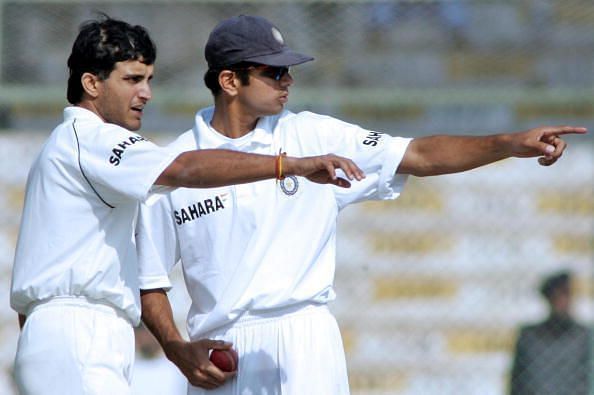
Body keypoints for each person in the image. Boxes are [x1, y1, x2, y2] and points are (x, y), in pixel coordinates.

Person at [135, 14, 587, 395]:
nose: (288, 80)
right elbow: (150, 279)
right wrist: (176, 347)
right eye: (274, 72)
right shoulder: (176, 166)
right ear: (230, 80)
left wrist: (507, 143)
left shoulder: (313, 134)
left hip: (303, 338)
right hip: (220, 351)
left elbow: (419, 155)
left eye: (288, 69)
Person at [9, 16, 364, 395]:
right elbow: (184, 167)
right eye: (132, 79)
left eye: (148, 80)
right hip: (78, 334)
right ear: (91, 84)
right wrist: (291, 164)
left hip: (68, 334)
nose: (146, 93)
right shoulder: (90, 138)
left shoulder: (68, 145)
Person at [509, 271, 591, 395]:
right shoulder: (529, 337)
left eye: (567, 295)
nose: (564, 302)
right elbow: (517, 382)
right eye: (558, 296)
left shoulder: (584, 336)